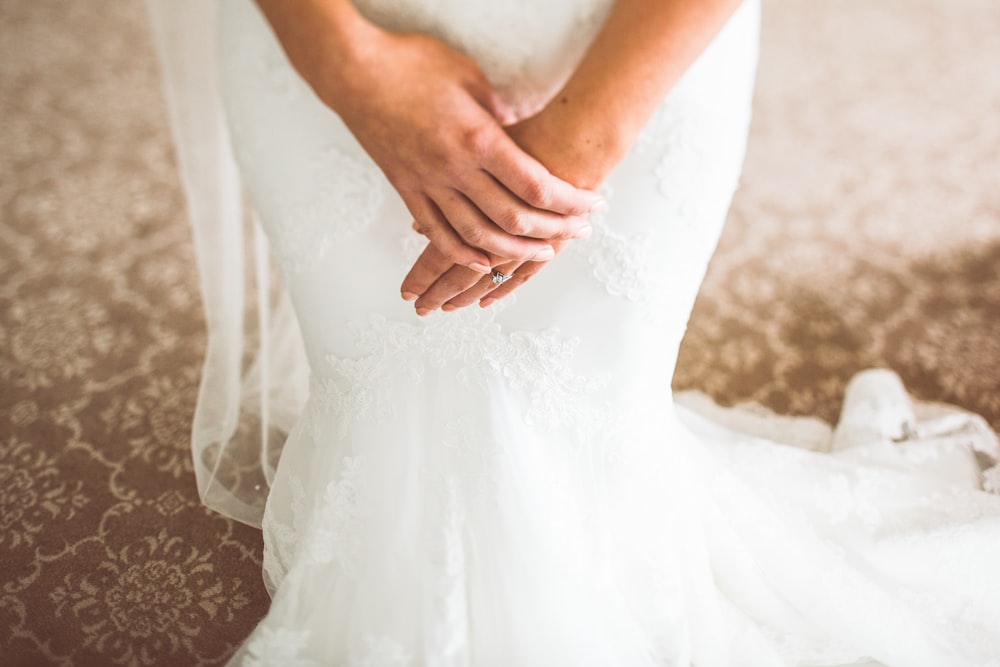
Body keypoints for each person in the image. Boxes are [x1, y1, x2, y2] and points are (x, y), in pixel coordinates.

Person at [149, 0, 1000, 664]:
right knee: (394, 419)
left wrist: (585, 141)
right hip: (328, 42)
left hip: (632, 49)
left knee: (580, 419)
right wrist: (351, 66)